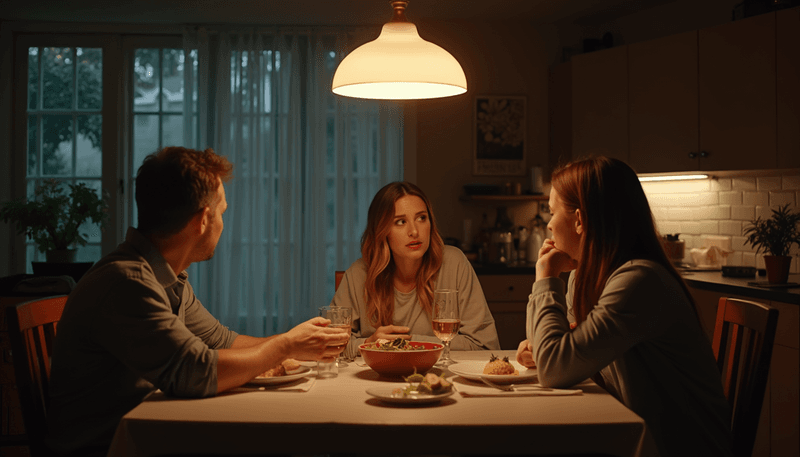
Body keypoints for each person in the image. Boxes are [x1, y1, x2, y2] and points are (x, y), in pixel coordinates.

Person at [46, 147, 349, 456]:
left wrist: (300, 343)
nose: (222, 222)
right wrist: (284, 345)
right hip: (110, 447)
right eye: (222, 212)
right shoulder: (128, 282)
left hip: (154, 432)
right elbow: (195, 372)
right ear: (203, 219)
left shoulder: (166, 275)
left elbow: (222, 341)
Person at [515, 156, 733, 457]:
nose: (549, 224)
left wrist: (546, 277)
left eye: (552, 212)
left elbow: (554, 368)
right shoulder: (586, 277)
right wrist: (544, 346)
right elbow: (556, 355)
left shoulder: (638, 282)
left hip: (680, 447)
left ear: (580, 220)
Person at [331, 181, 500, 359]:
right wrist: (369, 344)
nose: (414, 231)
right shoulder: (359, 274)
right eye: (400, 222)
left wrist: (409, 344)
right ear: (382, 231)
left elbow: (485, 347)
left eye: (421, 218)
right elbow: (329, 346)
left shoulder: (454, 263)